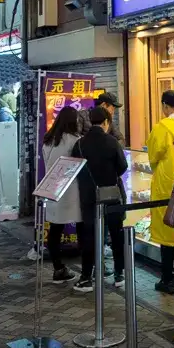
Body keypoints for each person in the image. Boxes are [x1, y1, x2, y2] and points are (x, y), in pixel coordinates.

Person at [73, 106, 127, 292]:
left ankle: (86, 277)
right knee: (116, 234)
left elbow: (75, 170)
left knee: (89, 236)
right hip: (111, 195)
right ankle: (120, 274)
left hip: (88, 197)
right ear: (105, 123)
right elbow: (122, 166)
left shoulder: (79, 144)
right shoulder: (112, 142)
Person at [146, 90, 174, 294]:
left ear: (165, 106)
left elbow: (153, 156)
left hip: (167, 187)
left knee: (167, 230)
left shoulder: (161, 127)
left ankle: (167, 280)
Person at [41, 106, 82, 284]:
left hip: (52, 189)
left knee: (55, 231)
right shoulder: (76, 141)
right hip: (72, 191)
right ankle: (88, 269)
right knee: (82, 228)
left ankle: (58, 268)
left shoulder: (48, 140)